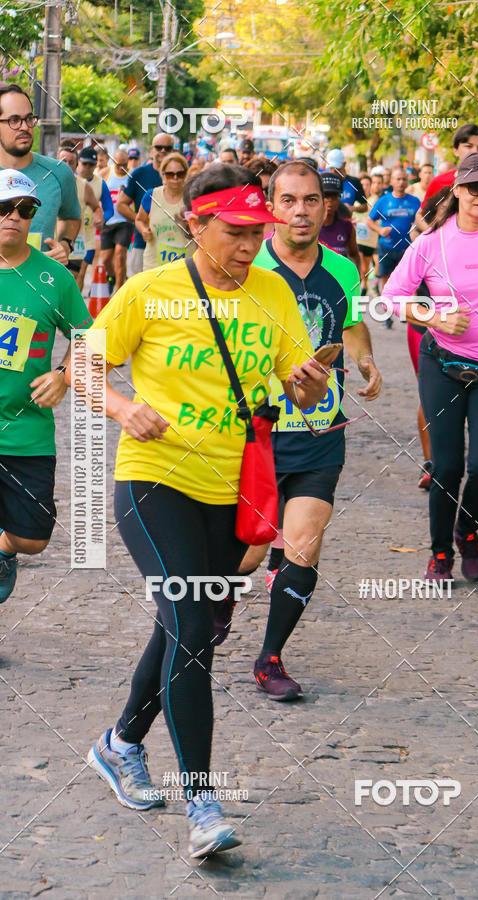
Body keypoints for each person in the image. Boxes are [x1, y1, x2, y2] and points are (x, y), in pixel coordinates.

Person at [76, 163, 328, 857]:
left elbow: (301, 396)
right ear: (196, 224)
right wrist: (126, 408)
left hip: (234, 490)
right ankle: (203, 805)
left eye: (258, 233)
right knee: (190, 621)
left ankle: (120, 742)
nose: (250, 246)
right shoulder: (150, 291)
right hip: (154, 480)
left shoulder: (274, 293)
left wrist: (310, 383)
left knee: (191, 628)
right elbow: (84, 366)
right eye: (236, 232)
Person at [223, 160, 382, 700]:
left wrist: (364, 361)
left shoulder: (342, 268)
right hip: (257, 432)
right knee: (245, 551)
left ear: (324, 206)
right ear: (271, 206)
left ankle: (270, 659)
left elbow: (352, 324)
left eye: (310, 200)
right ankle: (216, 600)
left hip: (319, 430)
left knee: (303, 546)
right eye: (288, 200)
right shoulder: (248, 268)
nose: (300, 211)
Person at [383, 152, 478, 583]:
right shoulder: (431, 243)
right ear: (457, 190)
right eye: (475, 188)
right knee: (446, 467)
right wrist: (434, 317)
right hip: (443, 363)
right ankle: (439, 553)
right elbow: (393, 296)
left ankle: (467, 530)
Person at [0, 169, 92, 601]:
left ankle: (4, 548)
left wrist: (64, 374)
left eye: (24, 209)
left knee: (32, 538)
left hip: (27, 434)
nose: (13, 217)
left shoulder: (54, 279)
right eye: (4, 208)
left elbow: (89, 339)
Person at [0, 84, 81, 266]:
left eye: (29, 119)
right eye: (14, 120)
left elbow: (72, 217)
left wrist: (65, 245)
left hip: (41, 286)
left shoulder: (59, 172)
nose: (25, 127)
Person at [115, 133, 175, 276]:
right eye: (159, 147)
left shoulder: (180, 175)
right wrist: (141, 219)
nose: (163, 151)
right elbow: (121, 205)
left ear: (173, 150)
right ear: (151, 149)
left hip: (174, 246)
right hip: (144, 243)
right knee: (141, 290)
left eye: (167, 148)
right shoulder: (139, 174)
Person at [367, 167, 420, 298]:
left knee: (407, 280)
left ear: (407, 181)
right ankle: (387, 311)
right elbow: (369, 220)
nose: (401, 182)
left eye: (403, 179)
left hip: (407, 247)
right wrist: (380, 230)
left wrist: (416, 228)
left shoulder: (415, 201)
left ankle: (405, 311)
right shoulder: (383, 201)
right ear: (391, 181)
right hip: (387, 247)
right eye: (398, 179)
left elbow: (422, 220)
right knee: (386, 278)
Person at [57, 144, 106, 282]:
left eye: (71, 162)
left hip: (75, 241)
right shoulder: (48, 183)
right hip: (53, 240)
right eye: (63, 161)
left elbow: (97, 208)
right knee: (53, 280)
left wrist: (98, 218)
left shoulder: (84, 186)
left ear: (76, 165)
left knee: (73, 279)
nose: (67, 165)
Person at [135, 151, 192, 270]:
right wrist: (144, 230)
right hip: (154, 265)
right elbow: (139, 220)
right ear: (163, 175)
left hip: (184, 267)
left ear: (186, 174)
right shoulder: (151, 196)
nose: (175, 178)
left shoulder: (192, 198)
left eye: (180, 174)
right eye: (170, 174)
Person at [75, 146, 114, 292]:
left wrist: (102, 219)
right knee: (68, 275)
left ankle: (75, 309)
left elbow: (110, 208)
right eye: (84, 164)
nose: (87, 168)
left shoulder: (100, 183)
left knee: (81, 273)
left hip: (87, 238)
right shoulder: (70, 179)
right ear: (78, 162)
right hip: (68, 235)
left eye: (91, 165)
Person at [101, 148, 133, 294]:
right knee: (106, 259)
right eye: (119, 165)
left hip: (125, 221)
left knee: (120, 254)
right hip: (108, 222)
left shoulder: (132, 175)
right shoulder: (106, 173)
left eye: (125, 165)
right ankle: (113, 276)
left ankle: (120, 291)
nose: (122, 168)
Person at [319, 172, 361, 271]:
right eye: (326, 196)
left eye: (334, 196)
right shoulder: (309, 227)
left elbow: (354, 255)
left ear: (339, 199)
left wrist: (355, 279)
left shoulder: (346, 227)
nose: (329, 200)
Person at [354, 173, 379, 294]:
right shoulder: (355, 200)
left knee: (366, 266)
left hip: (370, 238)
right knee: (358, 263)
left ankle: (365, 284)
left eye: (367, 184)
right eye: (362, 184)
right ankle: (359, 285)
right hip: (357, 238)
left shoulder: (375, 200)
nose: (365, 187)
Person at [326, 148, 367, 213]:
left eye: (336, 168)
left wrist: (353, 208)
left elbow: (364, 206)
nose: (333, 170)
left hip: (346, 220)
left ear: (344, 164)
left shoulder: (354, 182)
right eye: (331, 168)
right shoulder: (325, 181)